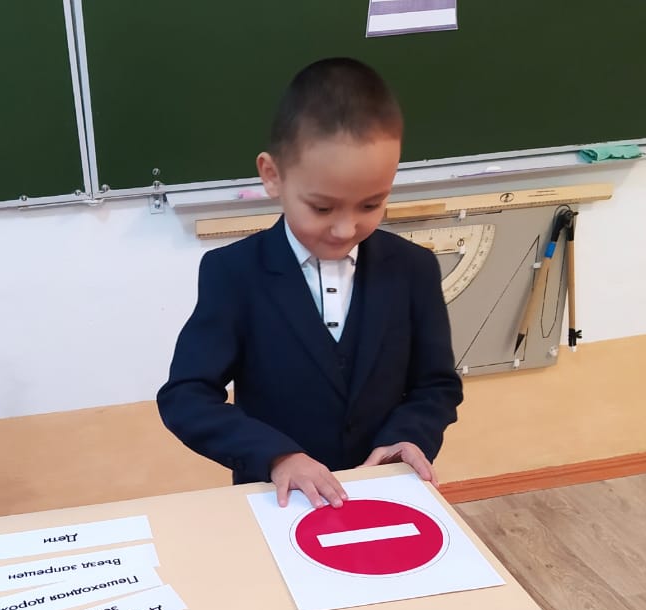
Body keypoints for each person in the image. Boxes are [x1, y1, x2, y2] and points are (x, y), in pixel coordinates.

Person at [156, 58, 462, 508]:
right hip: (278, 499)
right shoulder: (233, 273)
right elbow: (186, 397)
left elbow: (436, 386)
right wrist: (277, 456)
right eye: (322, 208)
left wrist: (409, 436)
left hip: (382, 491)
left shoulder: (414, 268)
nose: (345, 228)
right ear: (272, 175)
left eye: (370, 205)